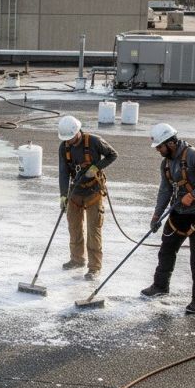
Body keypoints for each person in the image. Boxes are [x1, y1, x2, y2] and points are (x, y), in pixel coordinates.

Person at [141, 123, 195, 314]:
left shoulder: (194, 156)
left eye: (160, 146)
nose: (158, 150)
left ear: (171, 142)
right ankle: (160, 286)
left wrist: (193, 195)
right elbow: (165, 190)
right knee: (166, 251)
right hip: (177, 214)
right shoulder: (166, 162)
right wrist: (157, 214)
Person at [57, 115, 118, 280]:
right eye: (66, 139)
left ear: (77, 132)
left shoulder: (94, 141)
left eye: (70, 138)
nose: (68, 141)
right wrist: (63, 196)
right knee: (74, 227)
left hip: (94, 192)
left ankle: (94, 267)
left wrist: (96, 168)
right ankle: (77, 259)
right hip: (75, 192)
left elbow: (113, 155)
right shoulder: (64, 147)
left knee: (93, 230)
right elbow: (63, 173)